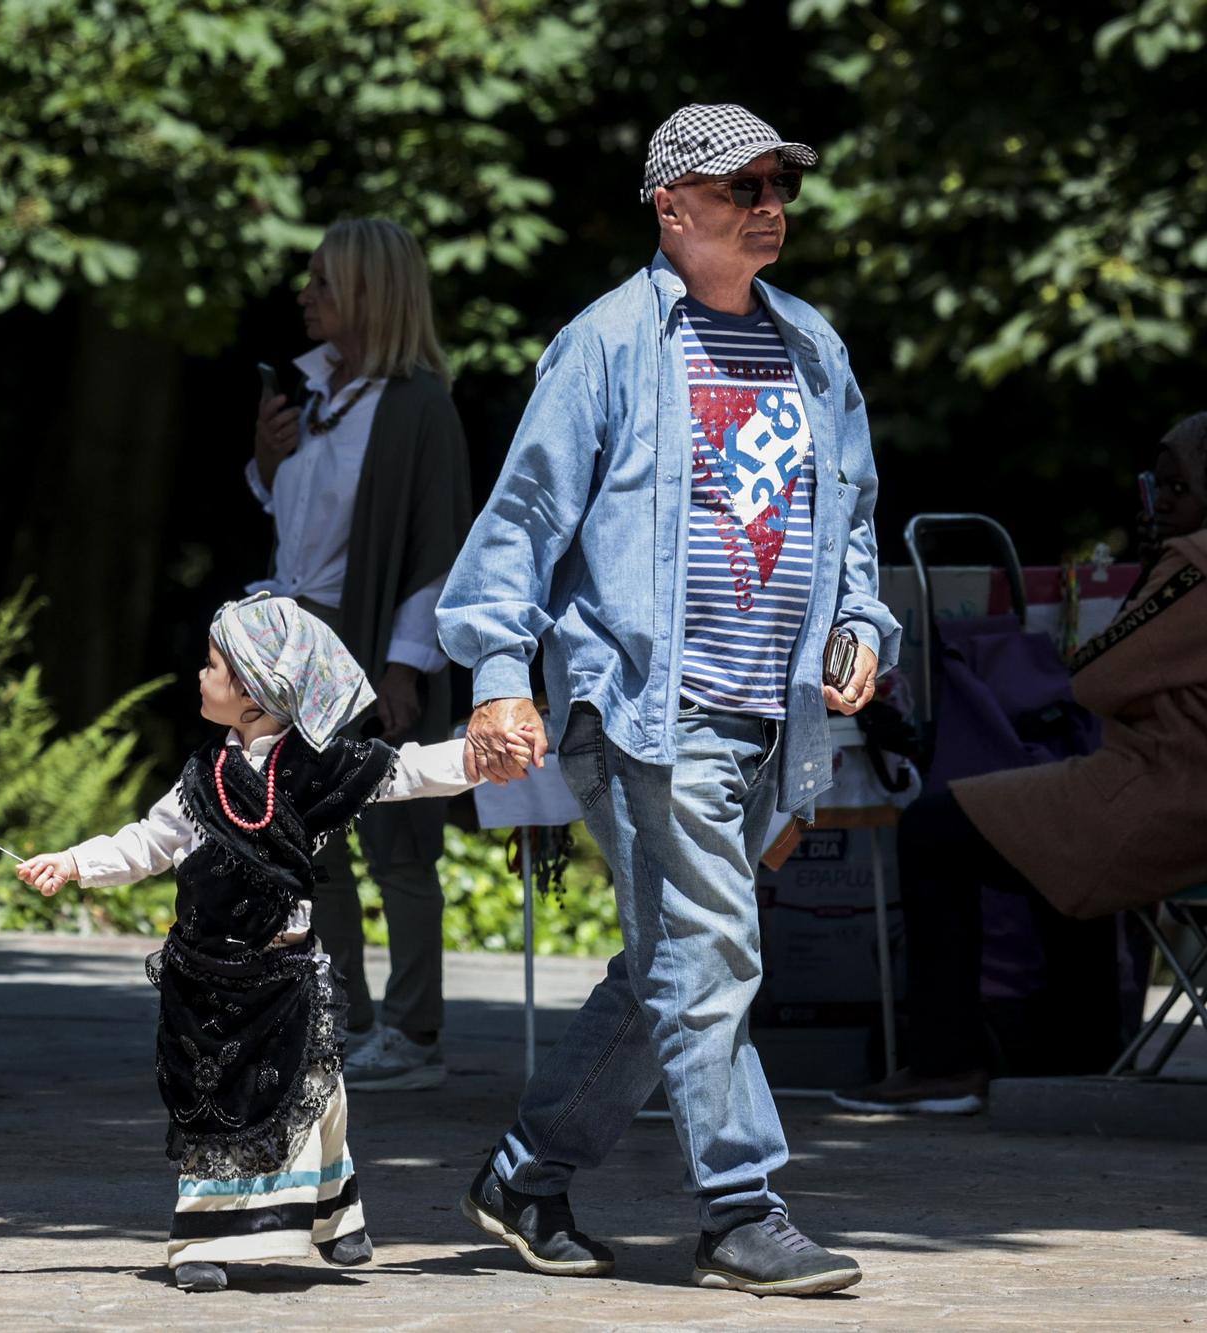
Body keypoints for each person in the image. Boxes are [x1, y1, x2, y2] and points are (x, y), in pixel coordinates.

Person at [436, 104, 900, 1297]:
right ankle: (740, 1206)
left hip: (772, 716)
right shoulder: (605, 343)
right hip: (644, 706)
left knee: (669, 965)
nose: (767, 204)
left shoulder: (810, 347)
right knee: (709, 948)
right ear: (670, 204)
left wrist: (859, 620)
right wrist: (496, 674)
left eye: (777, 183)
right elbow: (523, 522)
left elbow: (847, 511)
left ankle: (524, 1172)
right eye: (739, 184)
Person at [16, 594, 521, 1292]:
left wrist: (477, 757)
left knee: (313, 1094)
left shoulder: (318, 769)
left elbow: (403, 771)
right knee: (214, 1103)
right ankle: (199, 1239)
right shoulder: (201, 778)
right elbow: (149, 840)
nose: (200, 675)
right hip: (208, 979)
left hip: (285, 973)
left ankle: (334, 1216)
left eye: (214, 665)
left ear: (254, 691)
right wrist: (73, 862)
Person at [835, 415, 1207, 1113]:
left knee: (934, 826)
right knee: (1045, 834)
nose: (1156, 498)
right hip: (1175, 799)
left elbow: (1096, 679)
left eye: (1172, 485)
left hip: (1169, 797)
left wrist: (1162, 552)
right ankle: (1079, 1051)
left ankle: (946, 1063)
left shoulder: (1194, 561)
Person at [247, 217, 471, 1092]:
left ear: (372, 297)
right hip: (295, 637)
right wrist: (267, 464)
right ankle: (343, 1016)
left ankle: (416, 1036)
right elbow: (295, 525)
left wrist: (404, 667)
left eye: (326, 284)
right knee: (308, 840)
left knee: (397, 840)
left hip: (372, 639)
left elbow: (437, 549)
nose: (307, 296)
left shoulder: (419, 407)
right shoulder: (309, 395)